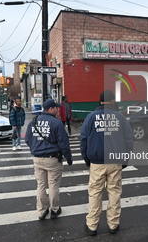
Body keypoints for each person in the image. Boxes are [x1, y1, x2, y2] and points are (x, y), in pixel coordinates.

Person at [80, 90, 133, 236]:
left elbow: (83, 139)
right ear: (112, 101)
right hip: (115, 161)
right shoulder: (120, 118)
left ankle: (92, 225)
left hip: (97, 162)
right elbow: (129, 140)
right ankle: (113, 224)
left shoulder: (91, 117)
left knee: (95, 193)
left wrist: (86, 158)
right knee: (114, 192)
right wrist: (125, 159)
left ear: (100, 101)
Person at [25, 99, 73, 220]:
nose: (58, 110)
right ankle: (54, 210)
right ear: (50, 109)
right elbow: (64, 143)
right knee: (53, 185)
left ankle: (41, 211)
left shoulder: (33, 121)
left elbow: (27, 139)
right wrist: (68, 157)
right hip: (52, 159)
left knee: (41, 185)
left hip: (37, 159)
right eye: (56, 108)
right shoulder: (56, 123)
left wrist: (36, 148)